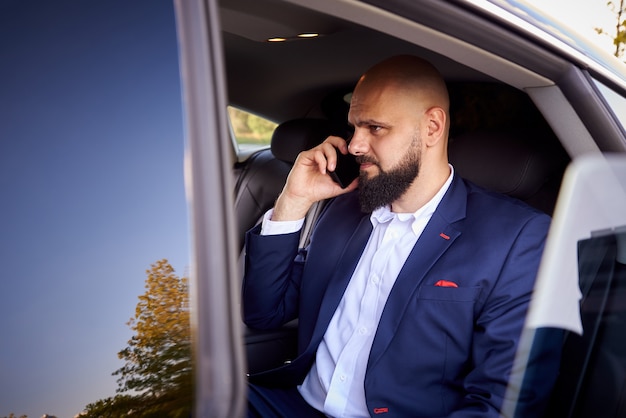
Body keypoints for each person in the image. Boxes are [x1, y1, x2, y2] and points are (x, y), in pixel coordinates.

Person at [242, 55, 559, 417]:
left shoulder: (517, 238)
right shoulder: (344, 209)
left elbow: (501, 404)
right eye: (354, 127)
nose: (356, 145)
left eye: (375, 128)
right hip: (292, 404)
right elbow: (263, 313)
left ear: (432, 127)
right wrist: (294, 201)